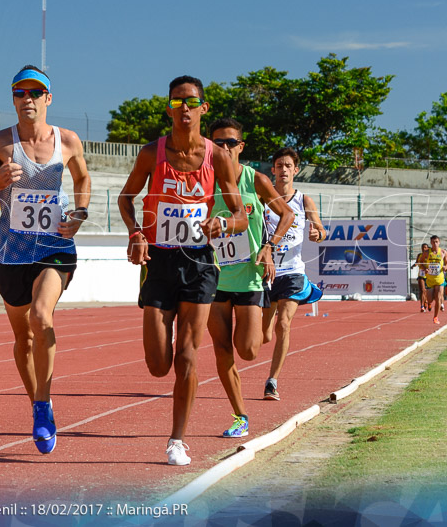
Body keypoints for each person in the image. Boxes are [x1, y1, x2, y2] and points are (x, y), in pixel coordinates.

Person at [117, 75, 248, 466]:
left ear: (202, 108)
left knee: (188, 357)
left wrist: (223, 224)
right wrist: (136, 232)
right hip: (159, 259)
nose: (184, 108)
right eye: (177, 102)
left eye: (191, 102)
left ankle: (177, 440)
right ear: (169, 107)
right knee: (159, 365)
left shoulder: (218, 157)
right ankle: (169, 374)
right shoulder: (151, 154)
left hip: (198, 263)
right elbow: (126, 197)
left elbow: (241, 213)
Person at [0, 65, 91, 455]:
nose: (28, 99)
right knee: (23, 337)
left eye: (36, 93)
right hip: (13, 253)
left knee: (41, 316)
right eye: (21, 93)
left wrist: (80, 214)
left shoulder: (68, 140)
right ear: (14, 99)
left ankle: (42, 406)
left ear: (48, 99)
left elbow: (83, 181)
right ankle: (40, 402)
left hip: (55, 246)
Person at [207, 118, 294, 439]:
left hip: (250, 278)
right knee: (221, 349)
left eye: (231, 142)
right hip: (214, 278)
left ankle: (267, 320)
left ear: (241, 147)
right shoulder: (205, 182)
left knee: (249, 351)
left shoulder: (254, 180)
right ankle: (240, 415)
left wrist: (269, 247)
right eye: (218, 142)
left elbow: (287, 214)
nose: (225, 148)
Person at [261, 147, 326, 402]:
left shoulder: (304, 201)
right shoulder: (262, 198)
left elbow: (320, 229)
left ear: (295, 170)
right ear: (273, 170)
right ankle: (263, 339)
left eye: (289, 165)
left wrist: (317, 233)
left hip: (292, 271)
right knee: (262, 336)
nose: (284, 169)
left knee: (284, 323)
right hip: (266, 272)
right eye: (280, 165)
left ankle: (272, 381)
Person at [423, 235, 447, 325]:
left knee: (438, 297)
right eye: (433, 242)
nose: (435, 243)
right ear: (431, 242)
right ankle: (429, 302)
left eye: (437, 242)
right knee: (430, 299)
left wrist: (446, 266)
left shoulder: (443, 252)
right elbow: (421, 262)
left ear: (439, 242)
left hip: (439, 279)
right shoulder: (426, 252)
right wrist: (425, 268)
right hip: (430, 279)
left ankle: (435, 317)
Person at [415, 243, 429, 312]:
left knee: (427, 291)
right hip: (421, 275)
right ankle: (422, 306)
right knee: (422, 290)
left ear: (428, 248)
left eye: (425, 247)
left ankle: (426, 300)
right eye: (423, 247)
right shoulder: (419, 255)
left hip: (428, 275)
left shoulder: (429, 255)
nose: (424, 249)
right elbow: (417, 262)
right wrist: (414, 265)